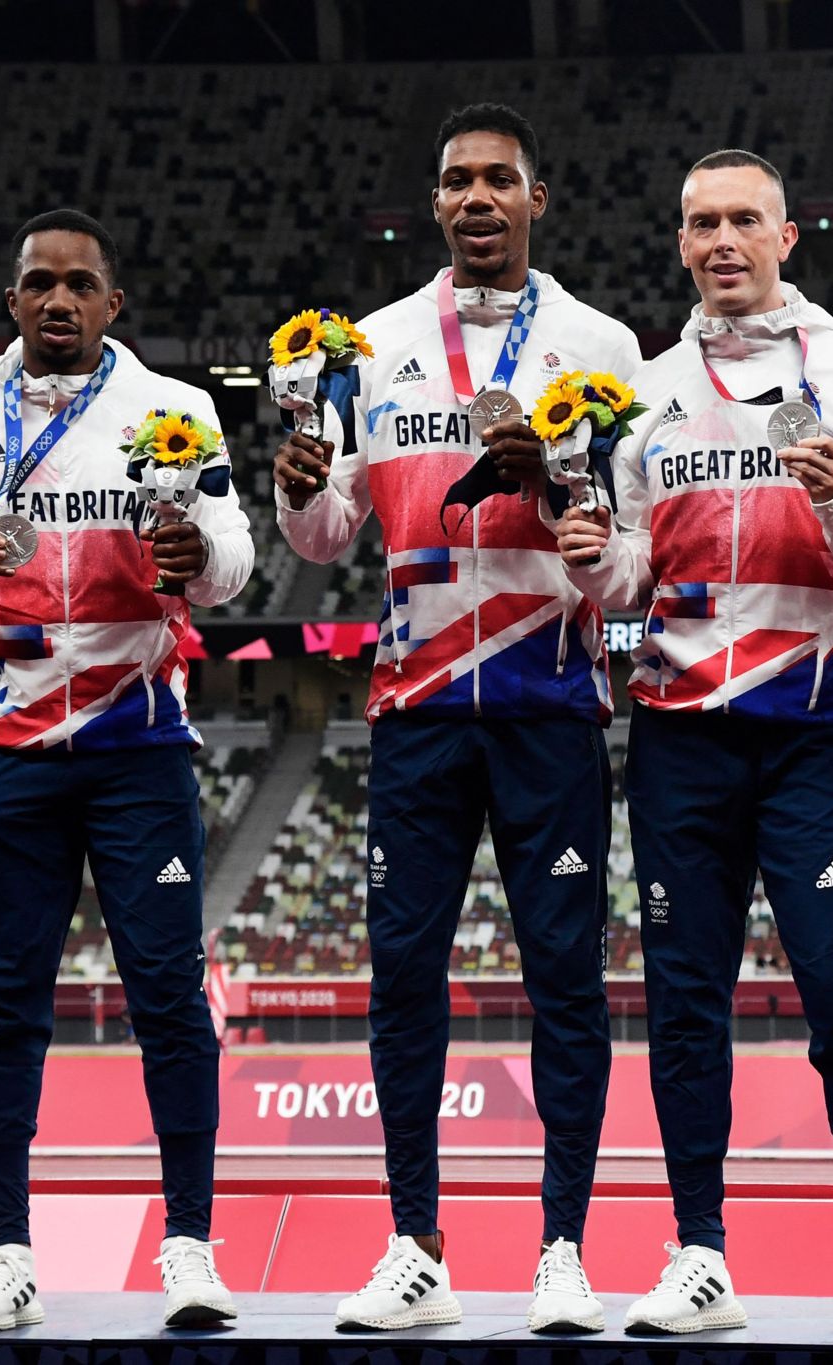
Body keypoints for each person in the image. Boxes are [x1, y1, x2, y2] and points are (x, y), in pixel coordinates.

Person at [271, 103, 641, 1334]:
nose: (477, 200)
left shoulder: (601, 343)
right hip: (417, 706)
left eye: (499, 181)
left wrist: (573, 518)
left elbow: (624, 547)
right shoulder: (370, 347)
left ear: (540, 199)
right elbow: (328, 541)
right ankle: (413, 1241)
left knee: (564, 984)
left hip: (551, 701)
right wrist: (301, 487)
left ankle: (564, 1251)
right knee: (401, 980)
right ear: (434, 205)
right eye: (456, 183)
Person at [555, 149, 833, 1338]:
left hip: (813, 730)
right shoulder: (642, 393)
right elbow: (625, 584)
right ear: (677, 243)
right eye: (701, 223)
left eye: (744, 221)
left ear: (787, 236)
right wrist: (593, 567)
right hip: (677, 740)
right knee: (684, 1003)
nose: (722, 241)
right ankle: (698, 1250)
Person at [0, 209, 253, 1331]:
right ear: (11, 302)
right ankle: (6, 1255)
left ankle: (188, 1243)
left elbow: (237, 561)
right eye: (37, 284)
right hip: (6, 753)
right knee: (3, 1006)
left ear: (111, 305)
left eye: (78, 285)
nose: (57, 301)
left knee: (167, 998)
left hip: (138, 748)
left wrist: (201, 555)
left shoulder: (175, 413)